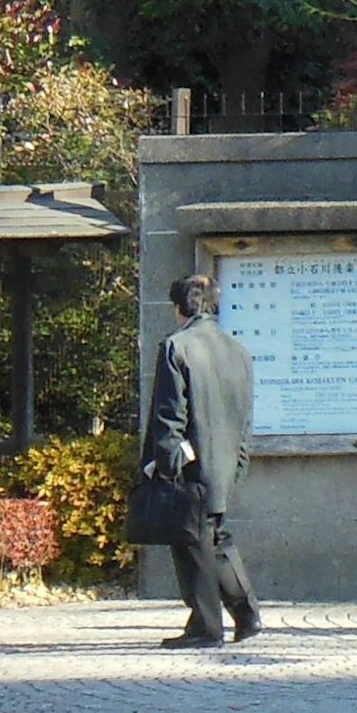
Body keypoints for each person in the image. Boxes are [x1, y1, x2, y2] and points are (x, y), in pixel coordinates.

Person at [147, 273, 261, 648]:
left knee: (191, 541)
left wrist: (164, 464)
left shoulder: (176, 347)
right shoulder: (238, 350)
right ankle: (247, 615)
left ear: (181, 307)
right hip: (229, 460)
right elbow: (245, 415)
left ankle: (206, 627)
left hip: (191, 463)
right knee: (216, 535)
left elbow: (170, 414)